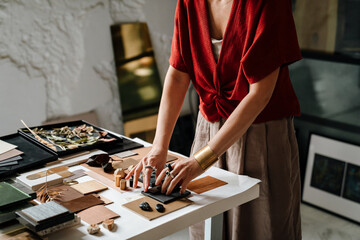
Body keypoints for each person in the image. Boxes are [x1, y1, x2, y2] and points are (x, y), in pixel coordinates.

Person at [126, 0, 302, 239]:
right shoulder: (189, 3)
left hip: (262, 135)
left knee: (259, 228)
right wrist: (159, 147)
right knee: (205, 226)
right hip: (207, 128)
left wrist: (200, 161)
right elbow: (178, 74)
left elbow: (259, 95)